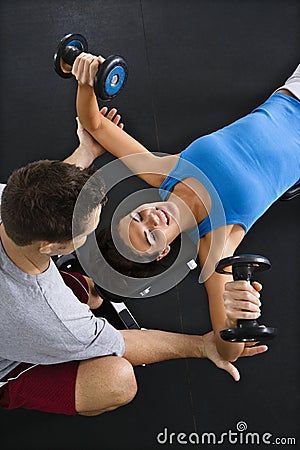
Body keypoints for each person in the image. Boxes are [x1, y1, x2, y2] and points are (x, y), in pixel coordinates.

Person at [0, 101, 266, 418]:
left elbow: (39, 192)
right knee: (117, 380)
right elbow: (120, 343)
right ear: (49, 246)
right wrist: (201, 345)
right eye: (82, 233)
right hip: (17, 345)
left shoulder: (9, 199)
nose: (89, 237)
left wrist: (85, 152)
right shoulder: (59, 317)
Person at [72, 53, 300, 363]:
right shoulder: (216, 243)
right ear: (163, 251)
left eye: (139, 216)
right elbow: (227, 348)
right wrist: (232, 310)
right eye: (151, 237)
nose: (152, 219)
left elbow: (94, 124)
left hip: (292, 93)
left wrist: (86, 80)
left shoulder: (164, 172)